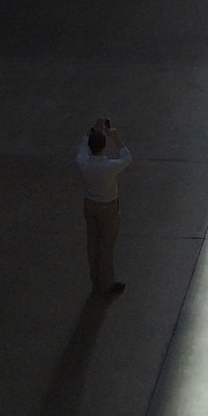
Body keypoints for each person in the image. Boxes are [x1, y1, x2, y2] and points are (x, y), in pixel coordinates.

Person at [76, 119, 132, 297]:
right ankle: (106, 284)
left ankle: (95, 281)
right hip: (107, 207)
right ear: (104, 146)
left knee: (92, 243)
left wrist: (93, 129)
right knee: (107, 245)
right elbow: (127, 157)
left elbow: (83, 145)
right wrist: (116, 137)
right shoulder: (109, 167)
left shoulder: (82, 162)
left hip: (89, 204)